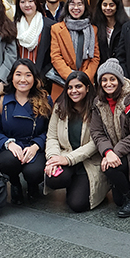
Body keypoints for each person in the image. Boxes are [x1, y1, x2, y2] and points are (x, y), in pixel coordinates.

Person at [90, 59, 130, 218]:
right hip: (115, 151)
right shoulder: (98, 102)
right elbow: (97, 132)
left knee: (110, 167)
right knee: (116, 199)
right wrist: (107, 151)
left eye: (112, 79)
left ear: (119, 80)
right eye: (104, 80)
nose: (108, 84)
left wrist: (115, 152)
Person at [0, 59, 52, 204]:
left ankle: (32, 185)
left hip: (34, 147)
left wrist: (36, 146)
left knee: (34, 172)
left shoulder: (45, 99)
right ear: (12, 77)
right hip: (10, 147)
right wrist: (8, 143)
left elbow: (51, 131)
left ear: (35, 78)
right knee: (8, 162)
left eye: (28, 75)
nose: (23, 79)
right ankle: (15, 183)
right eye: (18, 74)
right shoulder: (0, 101)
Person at [44, 71, 108, 212]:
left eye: (78, 87)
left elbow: (95, 143)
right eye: (70, 87)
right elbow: (52, 137)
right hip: (64, 156)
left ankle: (89, 186)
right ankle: (73, 183)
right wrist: (53, 158)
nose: (74, 91)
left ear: (87, 88)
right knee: (54, 180)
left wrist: (68, 159)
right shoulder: (59, 107)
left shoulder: (97, 108)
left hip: (88, 162)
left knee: (77, 205)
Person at [49, 0, 100, 100]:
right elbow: (55, 57)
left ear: (85, 7)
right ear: (67, 6)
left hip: (86, 84)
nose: (76, 7)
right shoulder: (57, 29)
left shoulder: (93, 29)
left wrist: (83, 79)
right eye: (72, 4)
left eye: (80, 4)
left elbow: (95, 58)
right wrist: (72, 78)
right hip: (62, 83)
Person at [14, 0, 55, 80]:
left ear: (36, 1)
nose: (27, 5)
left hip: (42, 79)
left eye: (30, 1)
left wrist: (40, 76)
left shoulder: (50, 26)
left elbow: (53, 57)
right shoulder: (13, 27)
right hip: (19, 79)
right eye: (22, 1)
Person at [91, 0, 128, 65]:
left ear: (117, 7)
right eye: (105, 5)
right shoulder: (94, 26)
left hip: (120, 68)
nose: (108, 8)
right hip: (99, 69)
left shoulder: (126, 26)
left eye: (111, 5)